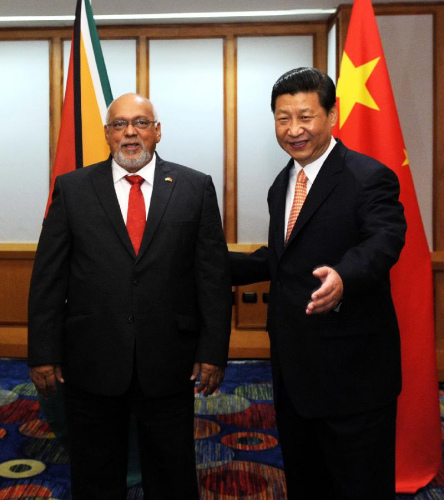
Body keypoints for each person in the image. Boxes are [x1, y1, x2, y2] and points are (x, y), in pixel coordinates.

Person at [28, 93, 232, 500]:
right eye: (120, 124)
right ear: (107, 134)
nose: (130, 132)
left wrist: (213, 352)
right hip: (92, 358)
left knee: (172, 471)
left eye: (140, 122)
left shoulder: (195, 187)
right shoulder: (72, 189)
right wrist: (43, 352)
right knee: (94, 472)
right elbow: (48, 277)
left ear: (157, 131)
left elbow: (211, 277)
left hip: (169, 359)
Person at [230, 67, 406, 499]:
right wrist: (203, 263)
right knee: (307, 482)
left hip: (354, 373)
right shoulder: (282, 184)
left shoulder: (369, 176)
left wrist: (345, 275)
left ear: (332, 114)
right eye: (282, 118)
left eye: (305, 117)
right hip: (295, 371)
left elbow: (384, 240)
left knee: (359, 486)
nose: (294, 130)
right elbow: (284, 258)